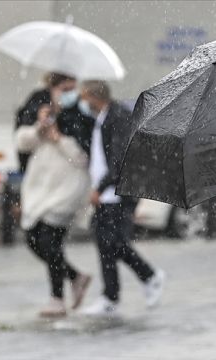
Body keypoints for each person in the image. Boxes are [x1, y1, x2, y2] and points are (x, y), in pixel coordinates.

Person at [78, 81, 165, 316]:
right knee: (105, 242)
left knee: (115, 243)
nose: (82, 102)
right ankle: (111, 297)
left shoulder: (118, 116)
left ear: (94, 97)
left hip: (117, 193)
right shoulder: (103, 117)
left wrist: (100, 186)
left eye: (83, 97)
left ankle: (149, 276)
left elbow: (118, 159)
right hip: (107, 194)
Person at [15, 79, 95, 317]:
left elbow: (82, 157)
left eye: (73, 89)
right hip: (40, 189)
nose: (68, 94)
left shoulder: (80, 118)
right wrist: (40, 127)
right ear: (52, 89)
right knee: (32, 239)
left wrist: (58, 138)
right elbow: (22, 143)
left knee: (51, 241)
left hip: (67, 190)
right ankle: (75, 277)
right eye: (64, 89)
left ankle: (56, 298)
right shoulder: (39, 111)